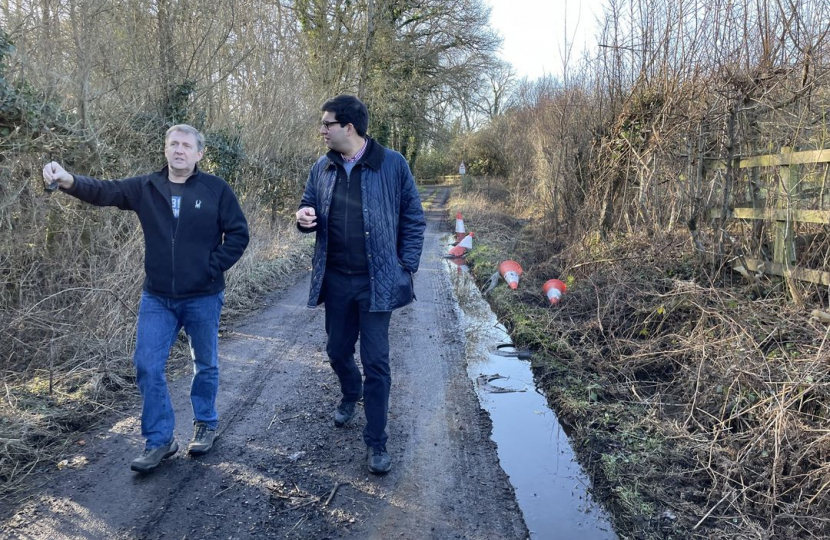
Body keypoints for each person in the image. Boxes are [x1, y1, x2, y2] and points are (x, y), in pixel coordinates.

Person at [42, 124, 249, 473]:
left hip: (203, 296)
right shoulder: (146, 187)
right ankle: (160, 440)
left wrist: (210, 268)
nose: (179, 150)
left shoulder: (216, 189)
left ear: (199, 154)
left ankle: (205, 424)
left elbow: (239, 234)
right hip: (158, 297)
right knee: (147, 366)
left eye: (186, 145)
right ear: (165, 150)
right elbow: (104, 191)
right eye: (173, 144)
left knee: (206, 363)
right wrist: (68, 180)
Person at [296, 95, 426, 475]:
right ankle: (350, 392)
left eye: (327, 124)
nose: (322, 130)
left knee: (377, 363)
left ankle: (376, 442)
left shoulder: (392, 164)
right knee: (337, 351)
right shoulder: (322, 167)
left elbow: (414, 219)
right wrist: (303, 216)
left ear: (348, 127)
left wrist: (406, 267)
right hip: (336, 280)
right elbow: (308, 205)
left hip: (377, 283)